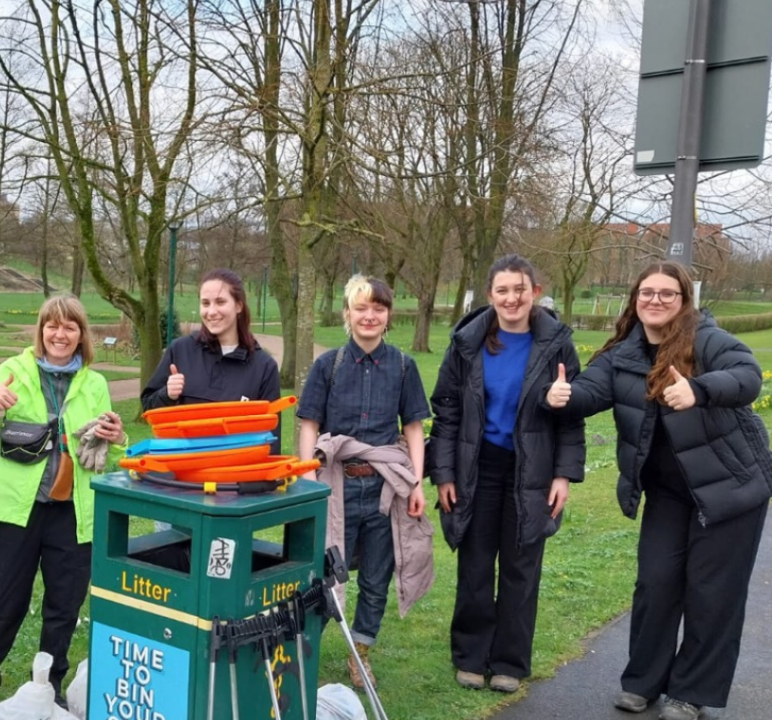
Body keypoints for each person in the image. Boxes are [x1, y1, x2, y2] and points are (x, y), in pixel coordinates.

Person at [546, 261, 772, 720]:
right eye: (647, 292)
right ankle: (643, 682)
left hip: (731, 486)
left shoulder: (706, 339)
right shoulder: (624, 353)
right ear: (634, 299)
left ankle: (690, 693)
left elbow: (748, 375)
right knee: (656, 582)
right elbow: (590, 391)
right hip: (669, 491)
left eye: (667, 294)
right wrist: (563, 394)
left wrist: (700, 391)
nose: (655, 300)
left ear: (683, 300)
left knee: (712, 592)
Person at [0, 293, 127, 720]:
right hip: (18, 511)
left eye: (69, 327)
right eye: (52, 325)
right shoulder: (14, 371)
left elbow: (104, 452)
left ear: (81, 335)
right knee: (1, 601)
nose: (59, 334)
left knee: (64, 606)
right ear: (40, 330)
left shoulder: (94, 382)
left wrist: (117, 438)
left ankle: (48, 688)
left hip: (72, 512)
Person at [429, 255, 585, 694]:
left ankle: (509, 662)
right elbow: (447, 412)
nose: (512, 298)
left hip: (531, 470)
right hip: (477, 468)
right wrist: (443, 473)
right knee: (476, 565)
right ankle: (471, 657)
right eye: (503, 290)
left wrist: (563, 475)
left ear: (534, 291)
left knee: (521, 568)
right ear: (490, 295)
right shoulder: (466, 343)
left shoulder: (556, 345)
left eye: (520, 289)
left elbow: (571, 419)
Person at [297, 274, 432, 690]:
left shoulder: (403, 366)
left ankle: (361, 654)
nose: (369, 316)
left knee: (376, 577)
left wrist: (416, 484)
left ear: (388, 316)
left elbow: (412, 429)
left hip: (384, 489)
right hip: (336, 485)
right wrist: (307, 479)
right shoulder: (328, 365)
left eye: (378, 308)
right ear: (347, 314)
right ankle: (300, 651)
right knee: (323, 573)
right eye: (361, 308)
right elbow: (308, 425)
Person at [141, 268, 283, 449]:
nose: (211, 311)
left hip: (236, 474)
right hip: (182, 472)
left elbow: (271, 439)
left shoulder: (264, 367)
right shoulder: (180, 350)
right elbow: (148, 409)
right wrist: (167, 395)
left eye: (220, 302)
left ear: (239, 305)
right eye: (205, 303)